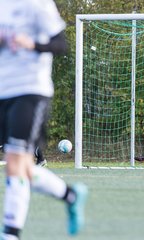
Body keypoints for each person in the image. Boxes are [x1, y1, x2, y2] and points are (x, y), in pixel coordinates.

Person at [0, 1, 88, 239]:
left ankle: (10, 234)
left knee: (15, 162)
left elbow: (60, 44)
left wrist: (32, 44)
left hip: (31, 90)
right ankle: (71, 196)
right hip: (4, 92)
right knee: (24, 168)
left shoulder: (37, 4)